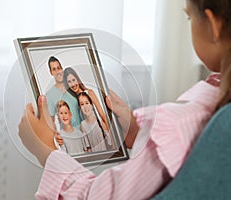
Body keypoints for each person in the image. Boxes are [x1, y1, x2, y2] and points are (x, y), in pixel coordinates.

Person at [18, 0, 231, 199]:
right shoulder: (210, 112)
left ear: (214, 25)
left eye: (189, 17)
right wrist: (137, 133)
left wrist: (45, 151)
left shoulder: (179, 123)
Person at [45, 56, 81, 129]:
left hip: (83, 129)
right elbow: (51, 120)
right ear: (51, 72)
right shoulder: (49, 95)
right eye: (54, 69)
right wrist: (56, 134)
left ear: (62, 69)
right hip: (68, 135)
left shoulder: (72, 85)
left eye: (59, 68)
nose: (57, 72)